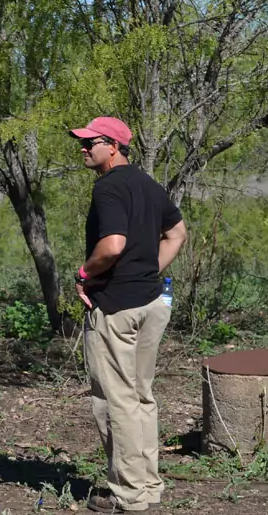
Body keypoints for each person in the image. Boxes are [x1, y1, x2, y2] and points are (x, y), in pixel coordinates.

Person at [69, 116, 188, 513]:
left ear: (113, 146)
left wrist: (84, 274)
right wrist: (148, 272)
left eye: (91, 142)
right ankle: (148, 487)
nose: (84, 148)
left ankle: (128, 495)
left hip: (116, 307)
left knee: (114, 401)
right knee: (141, 396)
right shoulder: (149, 185)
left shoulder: (108, 187)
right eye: (83, 142)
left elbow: (113, 245)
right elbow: (177, 234)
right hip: (151, 304)